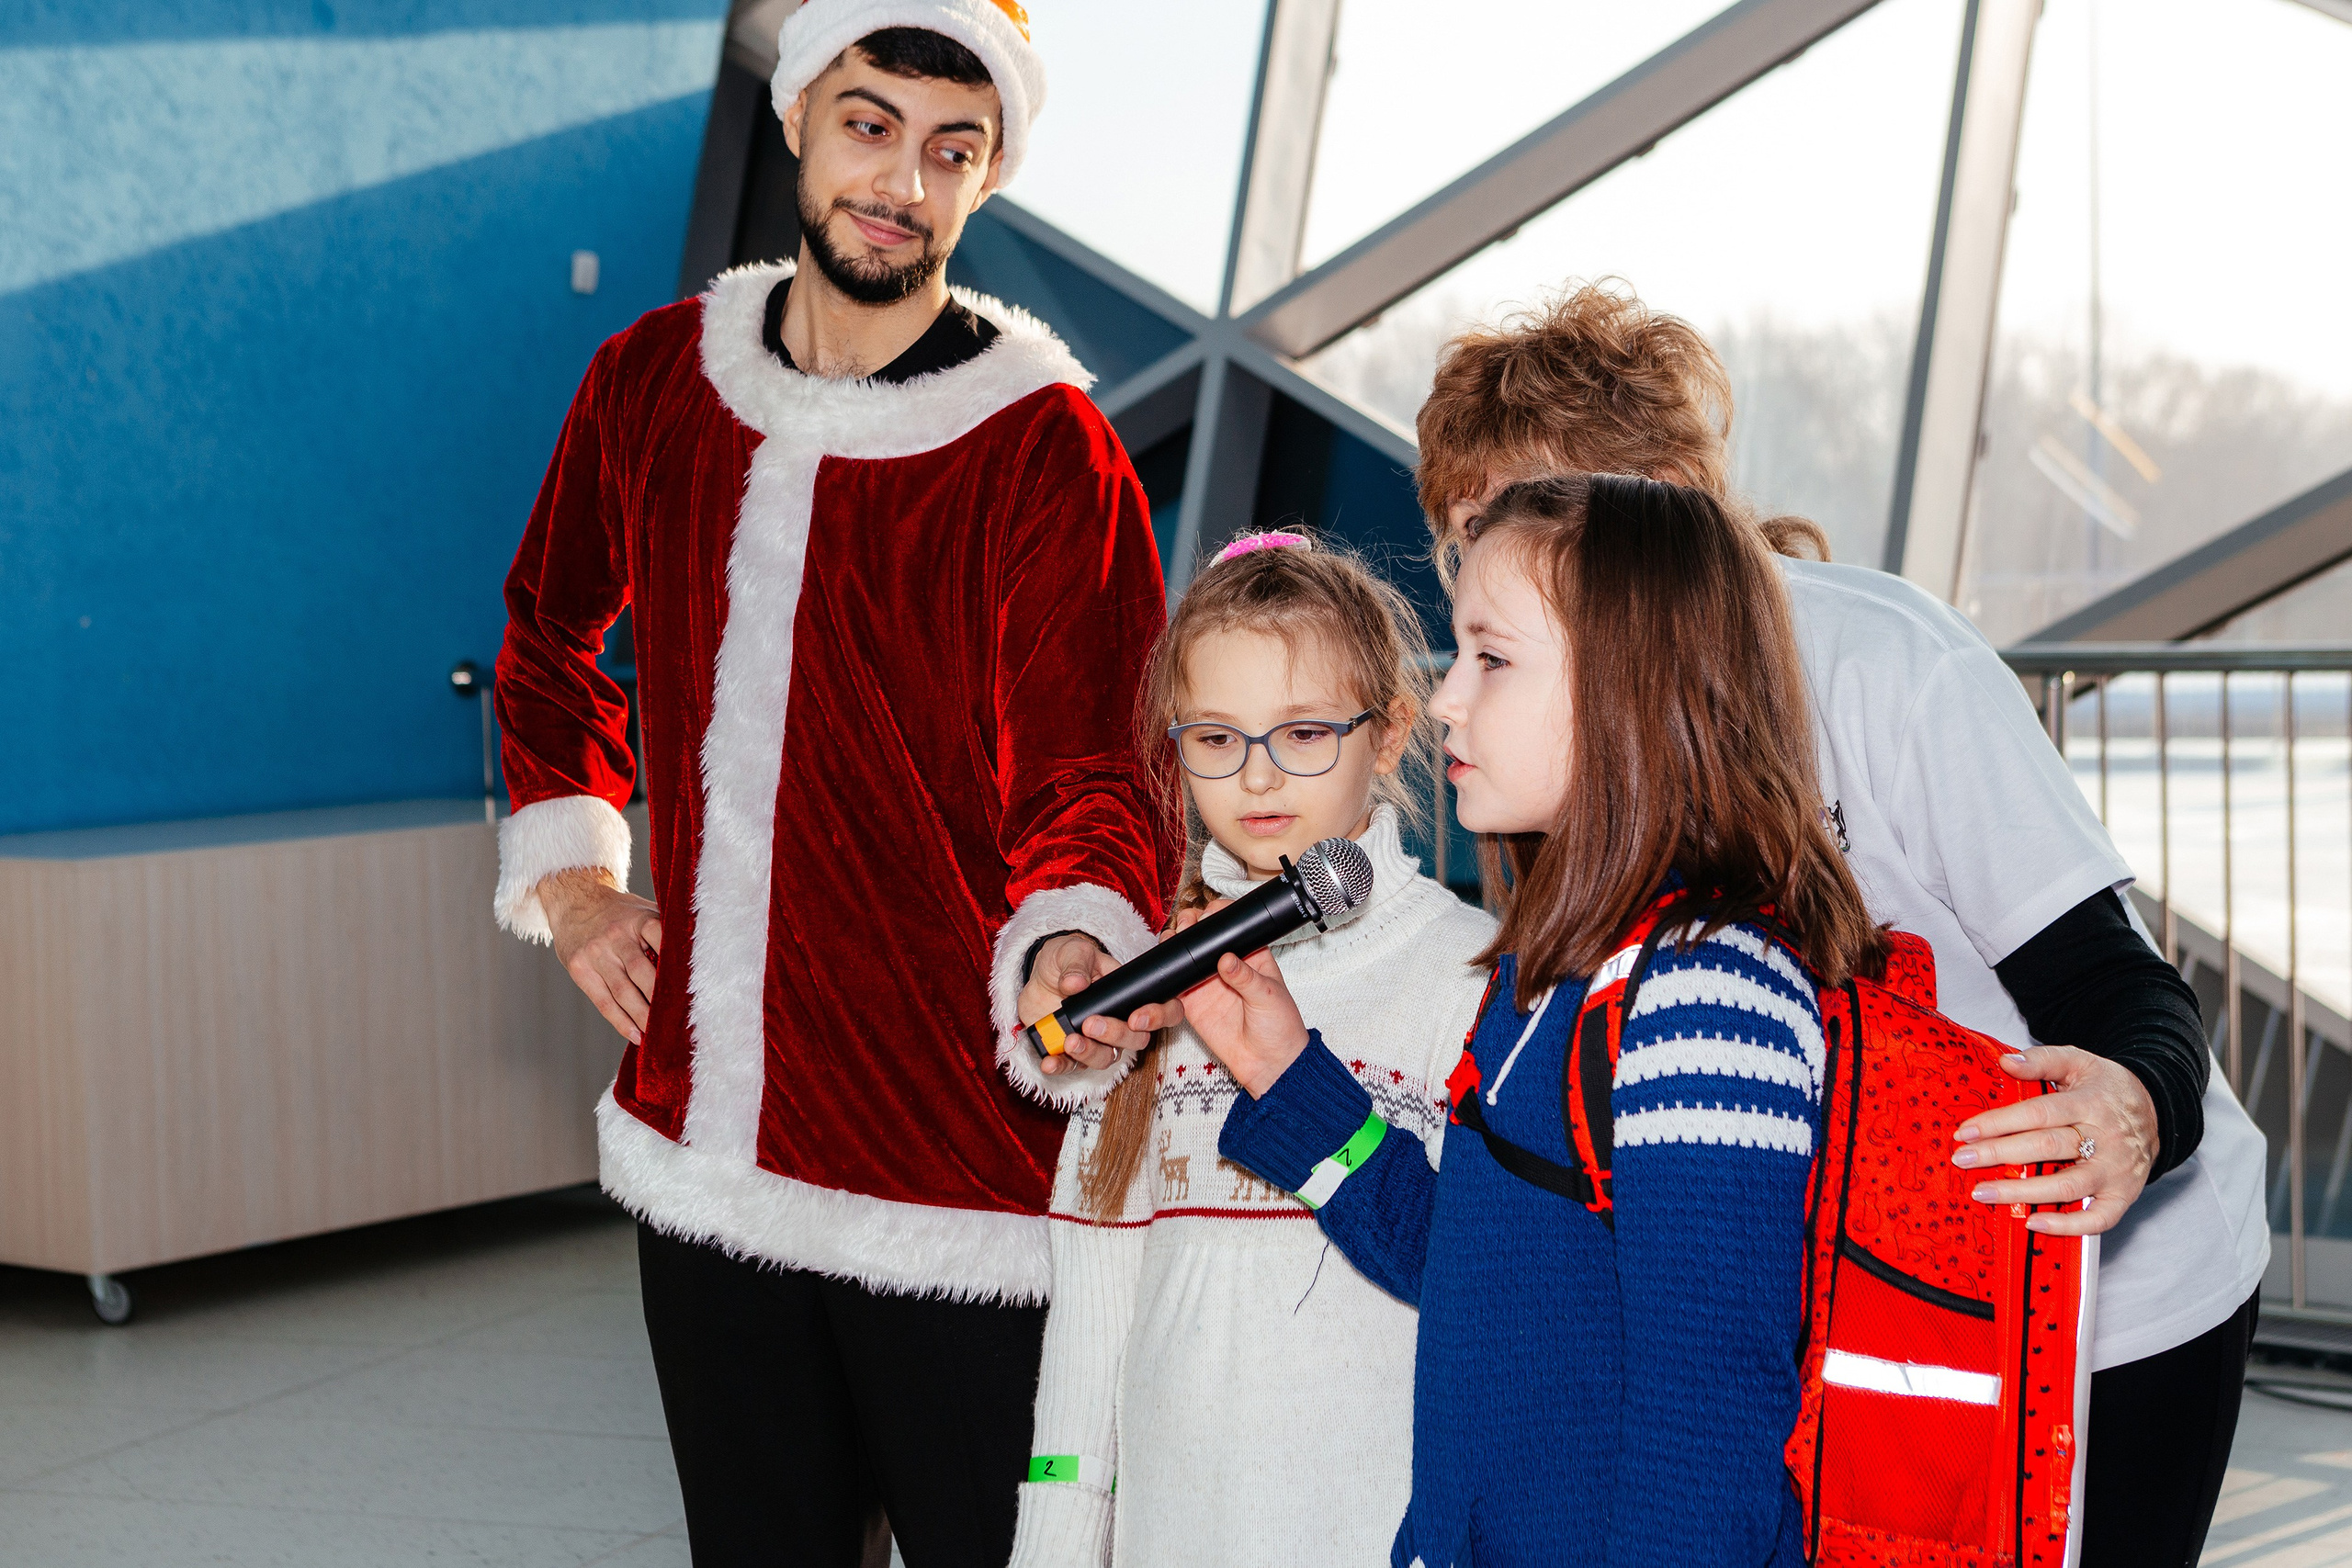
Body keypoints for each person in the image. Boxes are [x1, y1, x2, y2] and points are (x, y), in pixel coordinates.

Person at [1410, 282, 2267, 1568]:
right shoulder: (1561, 744)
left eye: (1538, 510)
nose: (1498, 560)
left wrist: (2134, 1106)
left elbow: (2117, 982)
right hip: (1864, 1276)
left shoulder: (1880, 661)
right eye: (1468, 531)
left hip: (2111, 1292)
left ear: (1666, 507)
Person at [490, 6, 1176, 1563]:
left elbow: (1097, 765)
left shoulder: (1043, 447)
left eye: (954, 150)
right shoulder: (655, 379)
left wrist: (1076, 927)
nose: (905, 182)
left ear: (988, 181)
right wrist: (580, 880)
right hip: (703, 1155)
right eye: (871, 126)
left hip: (954, 1169)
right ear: (799, 118)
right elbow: (546, 628)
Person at [1167, 475, 1883, 1564]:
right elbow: (1471, 1283)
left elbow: (1708, 1444)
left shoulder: (1705, 1001)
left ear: (1632, 693)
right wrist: (1282, 1069)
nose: (1447, 700)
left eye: (1491, 660)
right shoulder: (1553, 973)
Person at [1007, 534, 1496, 1567]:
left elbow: (1488, 1291)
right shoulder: (1144, 994)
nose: (1258, 776)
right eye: (1216, 739)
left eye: (1304, 732)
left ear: (1392, 730)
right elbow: (1090, 1329)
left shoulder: (1471, 974)